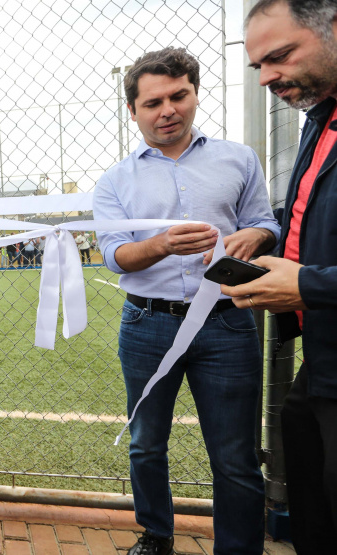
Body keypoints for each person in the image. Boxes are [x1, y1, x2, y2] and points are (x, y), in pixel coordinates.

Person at [93, 47, 279, 555]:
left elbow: (265, 222)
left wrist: (253, 238)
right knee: (146, 444)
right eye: (153, 102)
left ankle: (238, 547)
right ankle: (156, 535)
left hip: (226, 324)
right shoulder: (115, 181)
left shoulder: (238, 159)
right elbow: (113, 255)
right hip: (148, 325)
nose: (167, 110)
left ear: (195, 95)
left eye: (179, 95)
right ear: (133, 111)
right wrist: (161, 245)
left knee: (235, 455)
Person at [239, 2, 337, 550]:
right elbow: (306, 213)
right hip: (320, 358)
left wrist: (304, 286)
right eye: (257, 66)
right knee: (312, 507)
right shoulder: (319, 117)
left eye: (279, 56)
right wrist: (269, 236)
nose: (268, 77)